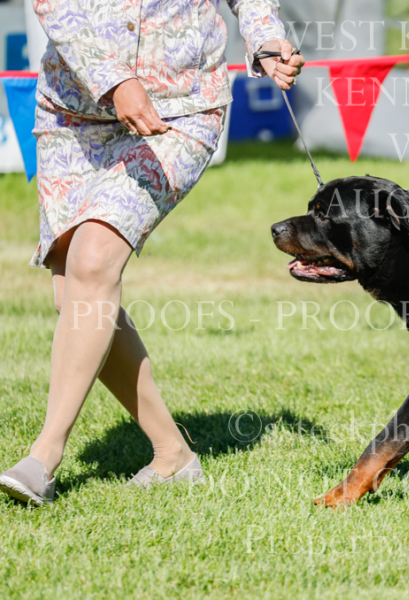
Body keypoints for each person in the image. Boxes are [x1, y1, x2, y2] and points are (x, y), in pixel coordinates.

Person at [0, 0, 304, 506]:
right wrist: (115, 80)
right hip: (73, 112)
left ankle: (43, 457)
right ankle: (173, 454)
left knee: (92, 260)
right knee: (72, 291)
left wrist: (265, 36)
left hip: (179, 109)